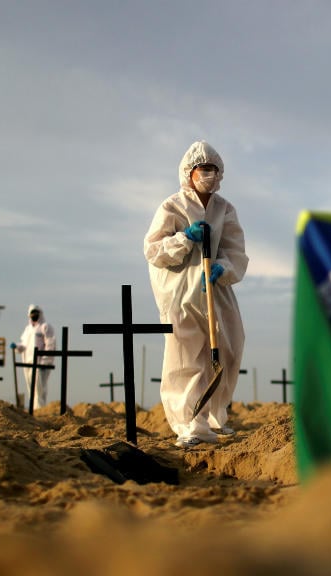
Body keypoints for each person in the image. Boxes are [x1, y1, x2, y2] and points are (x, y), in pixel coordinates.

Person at [144, 140, 248, 448]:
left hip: (214, 291)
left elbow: (235, 251)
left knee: (229, 348)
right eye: (204, 169)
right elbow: (153, 250)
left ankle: (215, 417)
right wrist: (184, 238)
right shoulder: (172, 206)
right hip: (182, 293)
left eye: (214, 170)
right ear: (189, 172)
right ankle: (189, 424)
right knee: (186, 357)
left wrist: (222, 268)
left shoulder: (224, 209)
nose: (209, 175)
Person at [15, 304, 56, 410]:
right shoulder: (28, 329)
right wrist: (17, 347)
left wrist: (45, 361)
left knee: (39, 388)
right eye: (32, 314)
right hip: (28, 362)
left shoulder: (45, 327)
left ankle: (39, 410)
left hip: (40, 362)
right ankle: (33, 408)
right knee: (31, 387)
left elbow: (50, 344)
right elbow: (24, 344)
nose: (34, 315)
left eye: (36, 313)